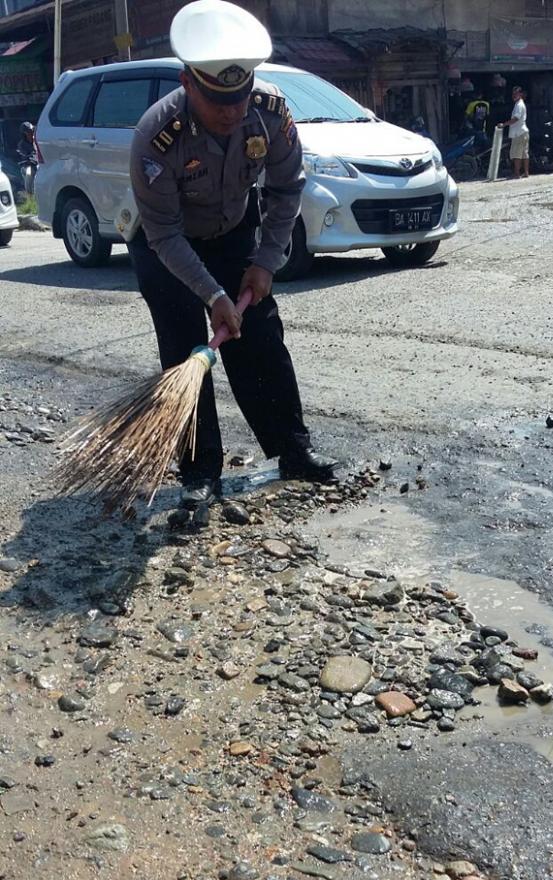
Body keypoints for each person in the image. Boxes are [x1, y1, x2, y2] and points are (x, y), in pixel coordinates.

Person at [128, 0, 337, 508]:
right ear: (187, 82)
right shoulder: (156, 138)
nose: (233, 110)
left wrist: (265, 261)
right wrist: (214, 294)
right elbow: (166, 235)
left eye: (240, 95)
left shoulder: (269, 113)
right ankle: (200, 475)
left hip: (234, 231)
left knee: (260, 337)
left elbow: (287, 189)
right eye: (218, 99)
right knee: (183, 354)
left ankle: (292, 450)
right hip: (166, 248)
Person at [501, 86, 529, 178]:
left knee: (517, 154)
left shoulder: (519, 105)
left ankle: (517, 174)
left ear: (520, 94)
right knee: (524, 154)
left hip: (518, 133)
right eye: (513, 94)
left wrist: (504, 124)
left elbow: (516, 118)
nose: (514, 95)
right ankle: (526, 173)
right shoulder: (520, 104)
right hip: (523, 132)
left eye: (516, 93)